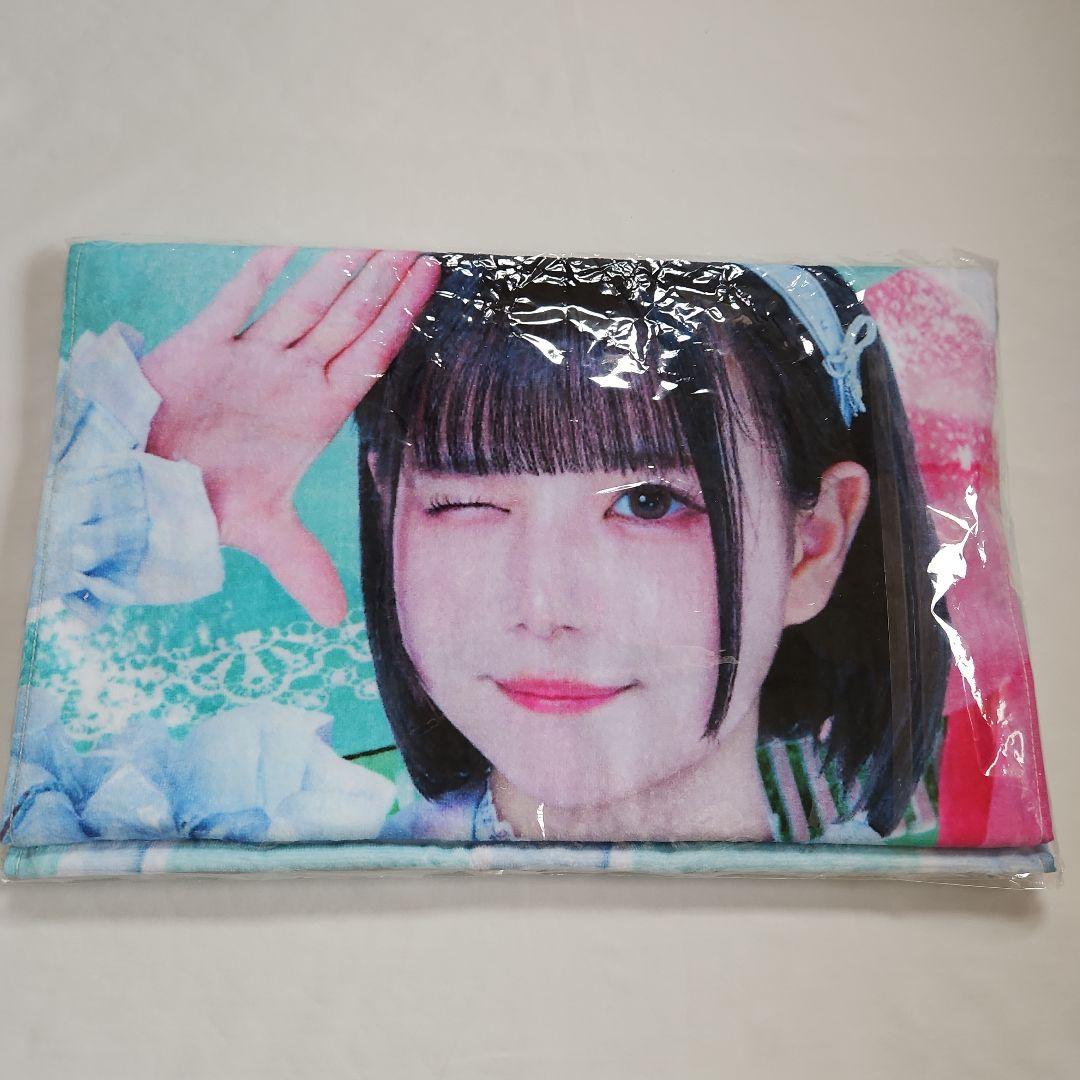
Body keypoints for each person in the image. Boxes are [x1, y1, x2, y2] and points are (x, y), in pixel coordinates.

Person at [27, 247, 950, 846]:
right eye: (466, 501)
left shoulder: (912, 926)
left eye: (648, 503)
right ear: (388, 504)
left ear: (813, 542)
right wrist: (124, 476)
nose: (543, 607)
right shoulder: (264, 818)